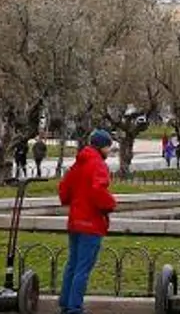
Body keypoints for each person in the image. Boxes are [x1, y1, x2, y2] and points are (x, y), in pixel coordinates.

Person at [56, 129, 116, 314]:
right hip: (91, 223)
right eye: (108, 146)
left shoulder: (78, 163)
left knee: (73, 264)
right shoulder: (98, 165)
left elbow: (64, 191)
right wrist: (110, 204)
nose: (109, 150)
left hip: (75, 221)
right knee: (83, 267)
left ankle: (65, 302)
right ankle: (75, 307)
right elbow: (98, 191)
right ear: (102, 146)